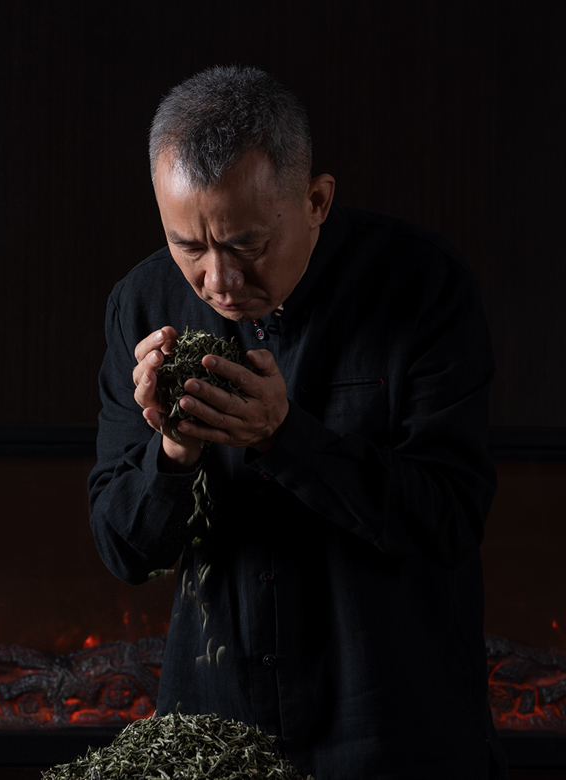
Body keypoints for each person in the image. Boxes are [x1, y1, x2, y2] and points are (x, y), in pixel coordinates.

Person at [88, 65, 508, 779]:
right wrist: (174, 453)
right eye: (189, 246)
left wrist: (286, 438)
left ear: (316, 201)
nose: (218, 282)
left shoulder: (424, 286)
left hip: (393, 733)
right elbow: (124, 553)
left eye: (246, 245)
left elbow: (449, 519)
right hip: (217, 735)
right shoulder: (143, 302)